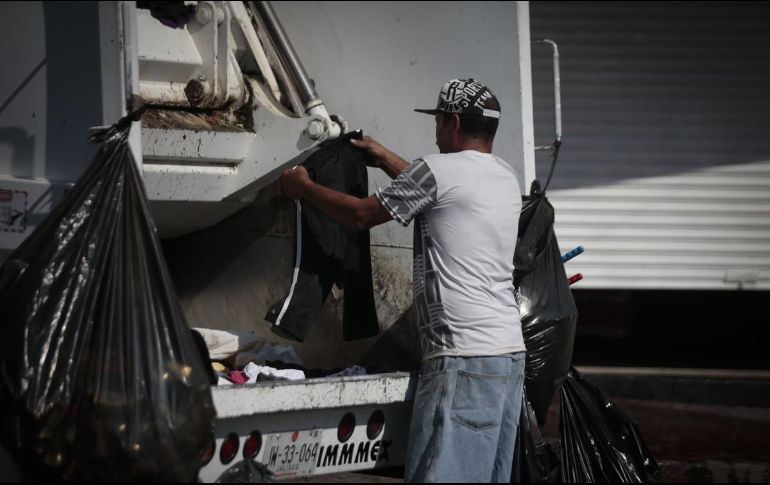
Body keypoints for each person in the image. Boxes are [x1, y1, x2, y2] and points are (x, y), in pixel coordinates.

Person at [281, 78, 525, 483]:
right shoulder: (503, 175)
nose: (436, 130)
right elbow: (441, 190)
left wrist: (304, 187)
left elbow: (361, 214)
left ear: (455, 123)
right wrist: (382, 157)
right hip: (507, 357)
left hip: (464, 358)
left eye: (439, 121)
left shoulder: (438, 169)